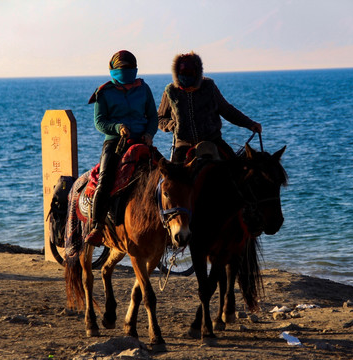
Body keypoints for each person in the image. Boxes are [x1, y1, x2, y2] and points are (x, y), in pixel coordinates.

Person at [85, 50, 158, 246]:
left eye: (129, 68)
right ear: (113, 70)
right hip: (115, 142)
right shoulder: (104, 92)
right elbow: (99, 122)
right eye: (121, 68)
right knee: (106, 179)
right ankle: (97, 227)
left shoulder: (143, 88)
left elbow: (153, 116)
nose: (126, 72)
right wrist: (117, 127)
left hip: (142, 141)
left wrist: (150, 134)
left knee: (165, 176)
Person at [158, 51, 262, 163]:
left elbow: (227, 110)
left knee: (236, 168)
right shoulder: (170, 91)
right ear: (177, 73)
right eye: (183, 72)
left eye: (190, 73)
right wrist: (173, 125)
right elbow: (159, 118)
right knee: (173, 178)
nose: (186, 75)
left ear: (197, 73)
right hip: (183, 145)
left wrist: (250, 124)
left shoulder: (209, 87)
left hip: (213, 141)